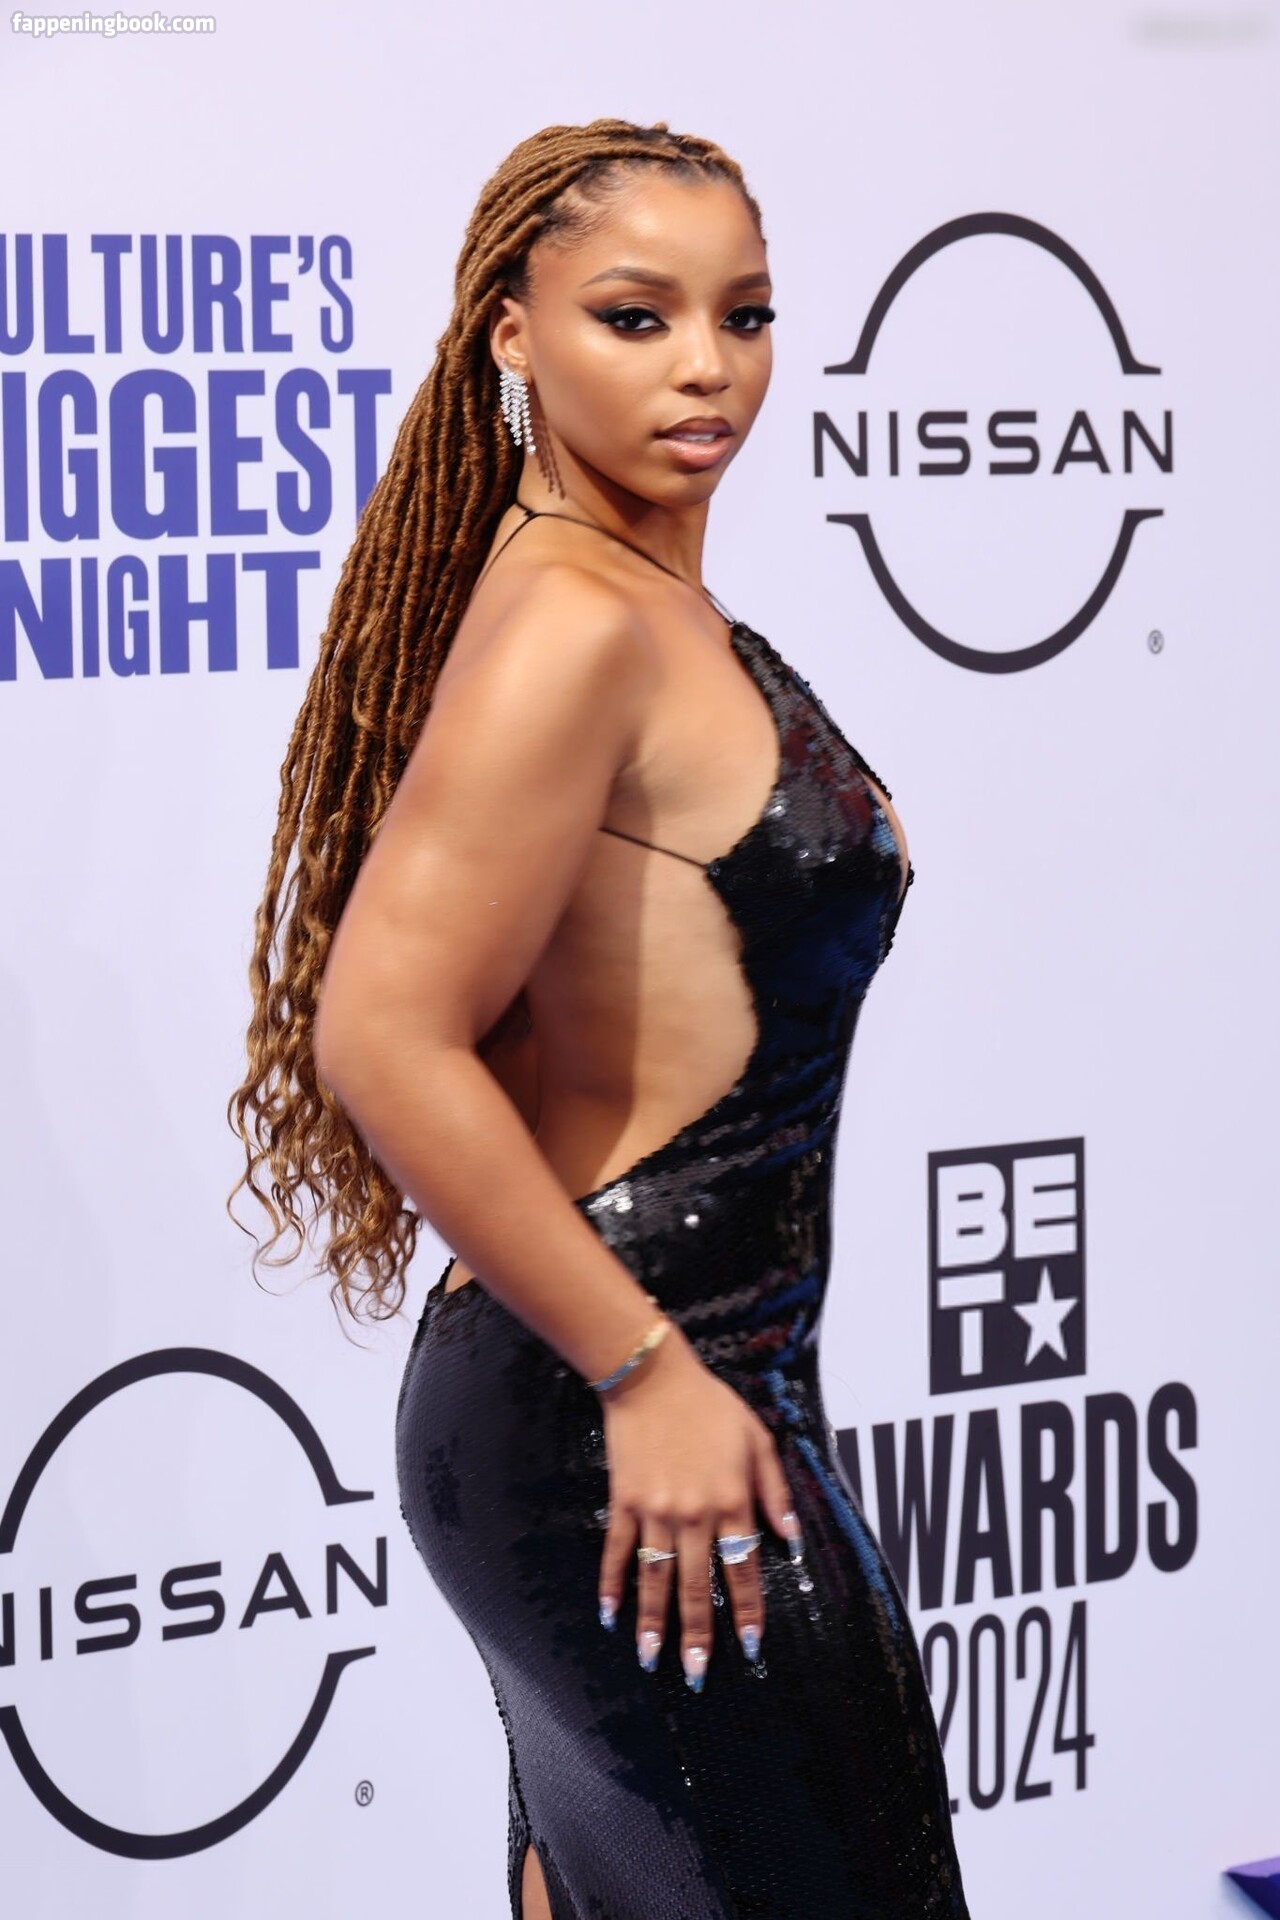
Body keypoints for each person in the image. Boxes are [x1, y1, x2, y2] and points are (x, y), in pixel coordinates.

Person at [228, 118, 970, 1920]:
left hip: (652, 1390)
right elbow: (383, 1030)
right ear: (514, 333)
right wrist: (643, 1372)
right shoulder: (576, 619)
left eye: (746, 314)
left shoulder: (628, 599)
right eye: (637, 318)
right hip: (633, 1405)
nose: (707, 366)